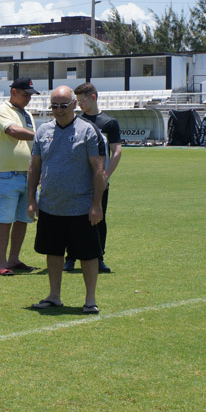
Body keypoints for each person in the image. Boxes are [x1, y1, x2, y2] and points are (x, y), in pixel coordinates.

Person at [27, 86, 105, 312]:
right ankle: (54, 296)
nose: (59, 110)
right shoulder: (43, 131)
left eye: (63, 105)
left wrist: (96, 204)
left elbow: (99, 170)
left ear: (74, 105)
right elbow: (34, 167)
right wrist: (32, 199)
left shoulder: (88, 131)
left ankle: (90, 300)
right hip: (50, 205)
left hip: (81, 207)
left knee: (88, 255)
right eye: (54, 106)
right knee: (53, 252)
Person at [65, 82, 122, 273]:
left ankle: (99, 257)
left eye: (82, 100)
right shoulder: (76, 121)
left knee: (99, 219)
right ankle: (70, 258)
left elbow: (117, 151)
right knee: (74, 220)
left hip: (99, 181)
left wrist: (105, 176)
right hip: (77, 180)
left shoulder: (109, 123)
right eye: (77, 101)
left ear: (93, 97)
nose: (79, 104)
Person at [0, 77, 38, 276]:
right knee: (5, 220)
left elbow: (32, 144)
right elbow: (12, 131)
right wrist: (40, 134)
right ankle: (2, 262)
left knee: (22, 220)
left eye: (30, 95)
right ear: (13, 92)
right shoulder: (2, 110)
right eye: (25, 94)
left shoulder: (26, 114)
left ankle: (14, 259)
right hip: (7, 174)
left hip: (28, 175)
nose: (29, 98)